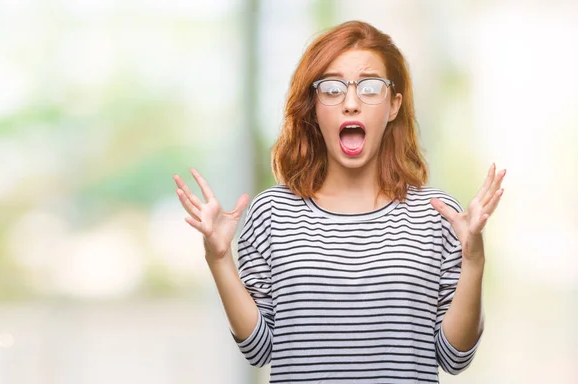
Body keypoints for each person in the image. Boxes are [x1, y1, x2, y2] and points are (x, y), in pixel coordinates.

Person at [174, 20, 505, 383]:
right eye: (331, 89)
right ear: (315, 106)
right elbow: (260, 350)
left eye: (370, 87)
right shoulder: (272, 213)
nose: (350, 103)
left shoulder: (437, 215)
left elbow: (454, 358)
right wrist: (219, 259)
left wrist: (474, 261)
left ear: (393, 105)